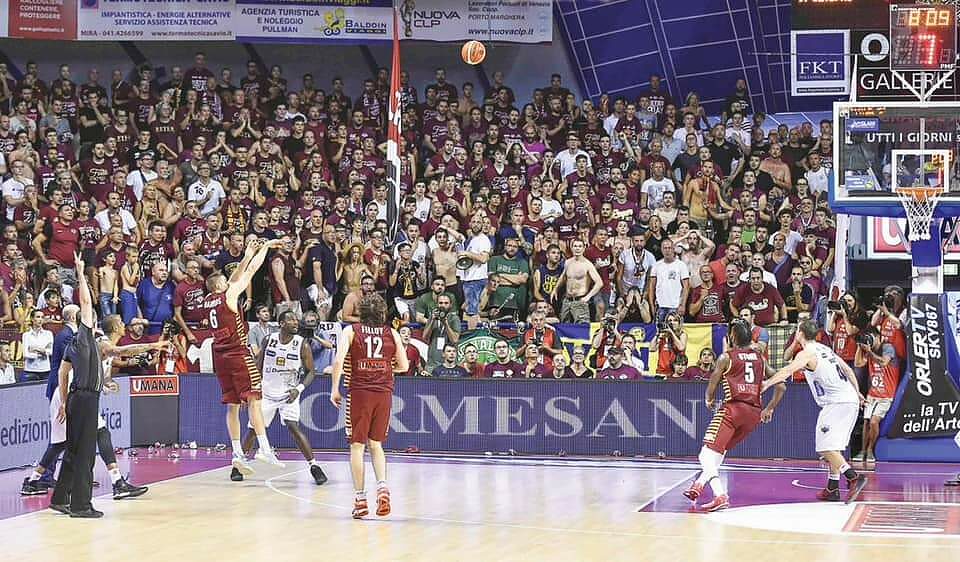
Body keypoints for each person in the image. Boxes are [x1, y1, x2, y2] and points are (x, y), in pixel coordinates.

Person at [204, 237, 286, 477]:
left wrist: (248, 251)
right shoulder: (229, 295)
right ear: (221, 286)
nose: (230, 281)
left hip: (220, 357)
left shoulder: (210, 300)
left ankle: (237, 453)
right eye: (225, 281)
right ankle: (264, 448)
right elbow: (248, 272)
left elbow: (236, 275)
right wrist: (265, 249)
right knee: (254, 400)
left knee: (232, 406)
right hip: (238, 354)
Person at [683, 319, 785, 512]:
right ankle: (698, 485)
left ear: (733, 337)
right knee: (719, 450)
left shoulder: (726, 358)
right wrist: (770, 407)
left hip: (734, 410)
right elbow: (781, 384)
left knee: (705, 454)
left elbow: (712, 384)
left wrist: (709, 400)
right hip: (754, 413)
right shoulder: (760, 358)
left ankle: (720, 495)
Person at [763, 320, 868, 503]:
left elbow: (787, 370)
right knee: (833, 447)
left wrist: (766, 383)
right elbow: (848, 371)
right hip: (848, 399)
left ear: (800, 334)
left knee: (824, 447)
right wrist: (857, 393)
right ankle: (832, 488)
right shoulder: (825, 349)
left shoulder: (807, 353)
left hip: (837, 403)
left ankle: (853, 477)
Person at [329, 293, 409, 519]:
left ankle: (360, 499)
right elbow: (403, 365)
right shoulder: (391, 333)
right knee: (376, 444)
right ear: (383, 313)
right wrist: (382, 368)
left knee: (356, 446)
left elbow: (338, 361)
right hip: (384, 393)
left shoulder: (351, 331)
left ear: (361, 313)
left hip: (359, 393)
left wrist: (334, 388)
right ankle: (382, 488)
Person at [235, 311, 328, 485]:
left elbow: (311, 372)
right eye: (291, 319)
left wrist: (299, 389)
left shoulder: (302, 345)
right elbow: (257, 365)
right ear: (281, 323)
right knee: (254, 430)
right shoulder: (269, 340)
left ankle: (314, 466)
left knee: (293, 426)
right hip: (267, 393)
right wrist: (250, 390)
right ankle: (238, 464)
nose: (295, 322)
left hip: (289, 394)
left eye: (295, 319)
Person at [853, 327, 900, 464]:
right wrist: (859, 347)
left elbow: (884, 362)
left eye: (871, 337)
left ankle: (870, 450)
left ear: (877, 337)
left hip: (886, 394)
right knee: (866, 421)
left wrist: (869, 352)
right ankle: (862, 451)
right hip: (872, 393)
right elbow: (857, 363)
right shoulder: (869, 351)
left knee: (874, 421)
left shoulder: (888, 348)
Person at [21, 309, 53, 382]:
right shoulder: (26, 335)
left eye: (42, 317)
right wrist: (43, 352)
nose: (40, 319)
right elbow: (26, 354)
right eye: (38, 317)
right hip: (30, 370)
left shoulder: (48, 334)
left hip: (45, 370)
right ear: (32, 319)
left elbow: (51, 351)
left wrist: (35, 349)